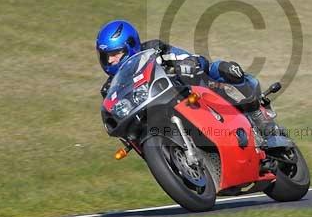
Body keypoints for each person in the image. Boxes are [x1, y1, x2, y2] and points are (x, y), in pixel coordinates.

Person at [96, 19, 278, 137]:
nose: (111, 60)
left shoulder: (153, 50)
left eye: (115, 53)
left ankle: (255, 111)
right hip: (156, 114)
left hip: (188, 89)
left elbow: (183, 56)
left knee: (222, 69)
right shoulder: (110, 88)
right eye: (106, 56)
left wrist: (188, 63)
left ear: (131, 45)